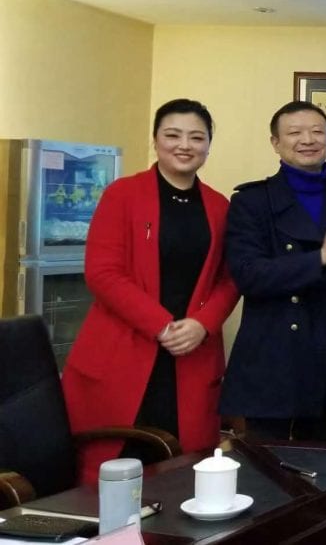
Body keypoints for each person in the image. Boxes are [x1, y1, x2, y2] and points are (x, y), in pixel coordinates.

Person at [62, 98, 239, 483]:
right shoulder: (122, 195)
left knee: (184, 471)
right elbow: (102, 273)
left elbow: (231, 279)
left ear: (209, 145)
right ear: (156, 140)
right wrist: (161, 325)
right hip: (123, 350)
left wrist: (203, 324)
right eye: (173, 135)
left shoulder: (219, 206)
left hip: (191, 352)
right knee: (112, 467)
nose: (184, 145)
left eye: (197, 137)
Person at [220, 100, 326, 442]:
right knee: (266, 457)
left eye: (317, 132)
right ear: (275, 142)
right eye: (294, 132)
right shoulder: (252, 201)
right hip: (272, 350)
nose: (307, 140)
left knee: (319, 455)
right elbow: (249, 275)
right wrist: (321, 257)